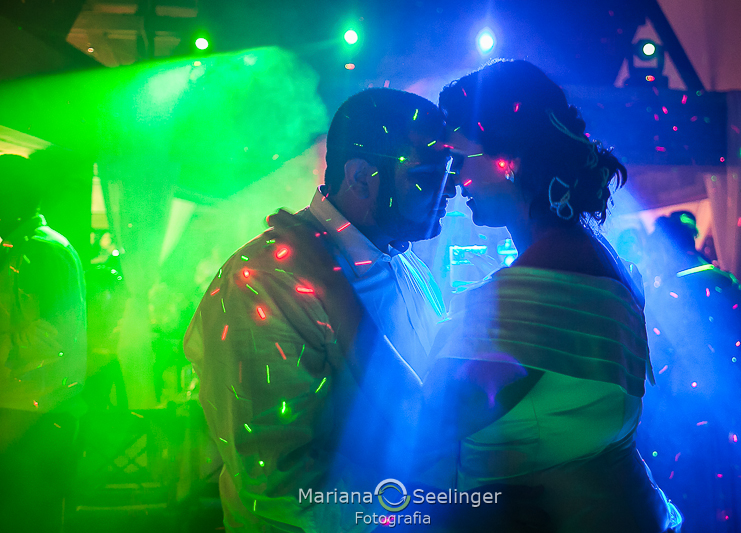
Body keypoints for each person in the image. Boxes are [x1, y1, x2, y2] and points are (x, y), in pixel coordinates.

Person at [273, 59, 683, 532]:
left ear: (514, 162)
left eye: (463, 162)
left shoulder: (536, 288)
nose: (454, 182)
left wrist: (329, 282)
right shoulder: (590, 252)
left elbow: (417, 426)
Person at [183, 88, 457, 533]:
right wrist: (431, 513)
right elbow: (280, 483)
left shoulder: (406, 262)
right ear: (362, 178)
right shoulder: (268, 280)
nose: (451, 192)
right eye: (427, 177)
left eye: (453, 174)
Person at [638, 211, 741, 532]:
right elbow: (740, 349)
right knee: (727, 477)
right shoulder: (724, 282)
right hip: (729, 400)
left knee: (690, 486)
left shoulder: (666, 292)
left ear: (665, 248)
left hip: (683, 408)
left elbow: (657, 357)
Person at [0, 152, 87, 532]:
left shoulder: (46, 251)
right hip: (20, 406)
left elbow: (56, 337)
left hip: (39, 411)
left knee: (29, 516)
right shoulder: (15, 248)